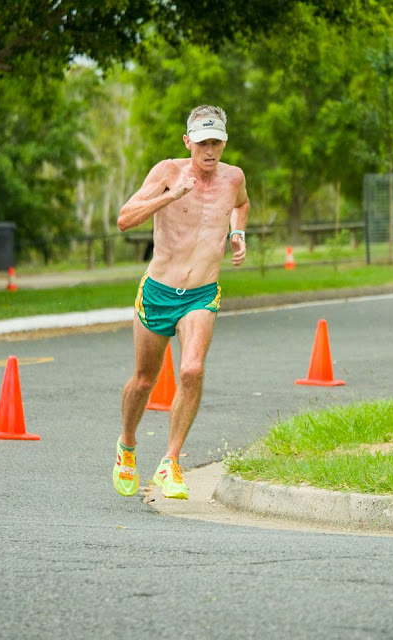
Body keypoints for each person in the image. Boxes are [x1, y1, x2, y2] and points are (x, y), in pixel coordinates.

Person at [112, 105, 250, 500]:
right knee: (144, 380)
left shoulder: (234, 178)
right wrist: (171, 196)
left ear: (224, 143)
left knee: (191, 370)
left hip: (202, 293)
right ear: (188, 141)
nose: (210, 151)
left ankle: (170, 461)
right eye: (203, 142)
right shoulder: (167, 172)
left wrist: (237, 233)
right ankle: (127, 445)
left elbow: (241, 204)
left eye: (217, 142)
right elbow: (125, 219)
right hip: (158, 291)